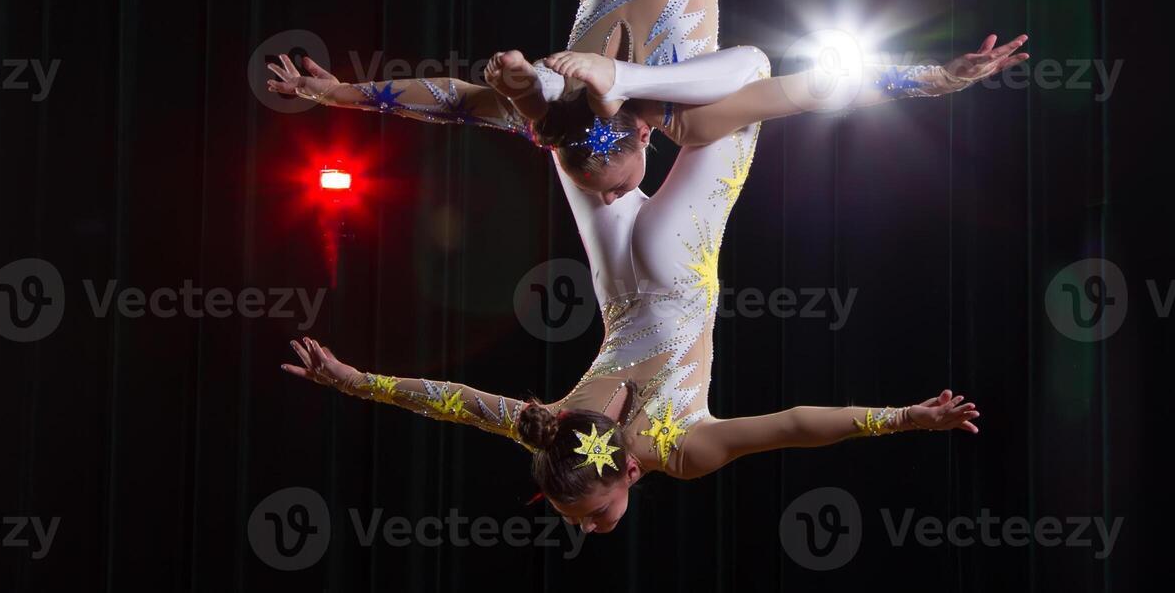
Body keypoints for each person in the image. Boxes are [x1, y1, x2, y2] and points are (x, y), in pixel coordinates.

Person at [281, 32, 1027, 532]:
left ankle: (924, 81)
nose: (594, 530)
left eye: (594, 517)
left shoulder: (679, 455)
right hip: (615, 268)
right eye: (591, 522)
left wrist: (901, 419)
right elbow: (442, 400)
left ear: (628, 470)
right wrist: (350, 381)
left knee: (760, 83)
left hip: (674, 264)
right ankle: (552, 98)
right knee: (559, 132)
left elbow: (797, 424)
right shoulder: (548, 425)